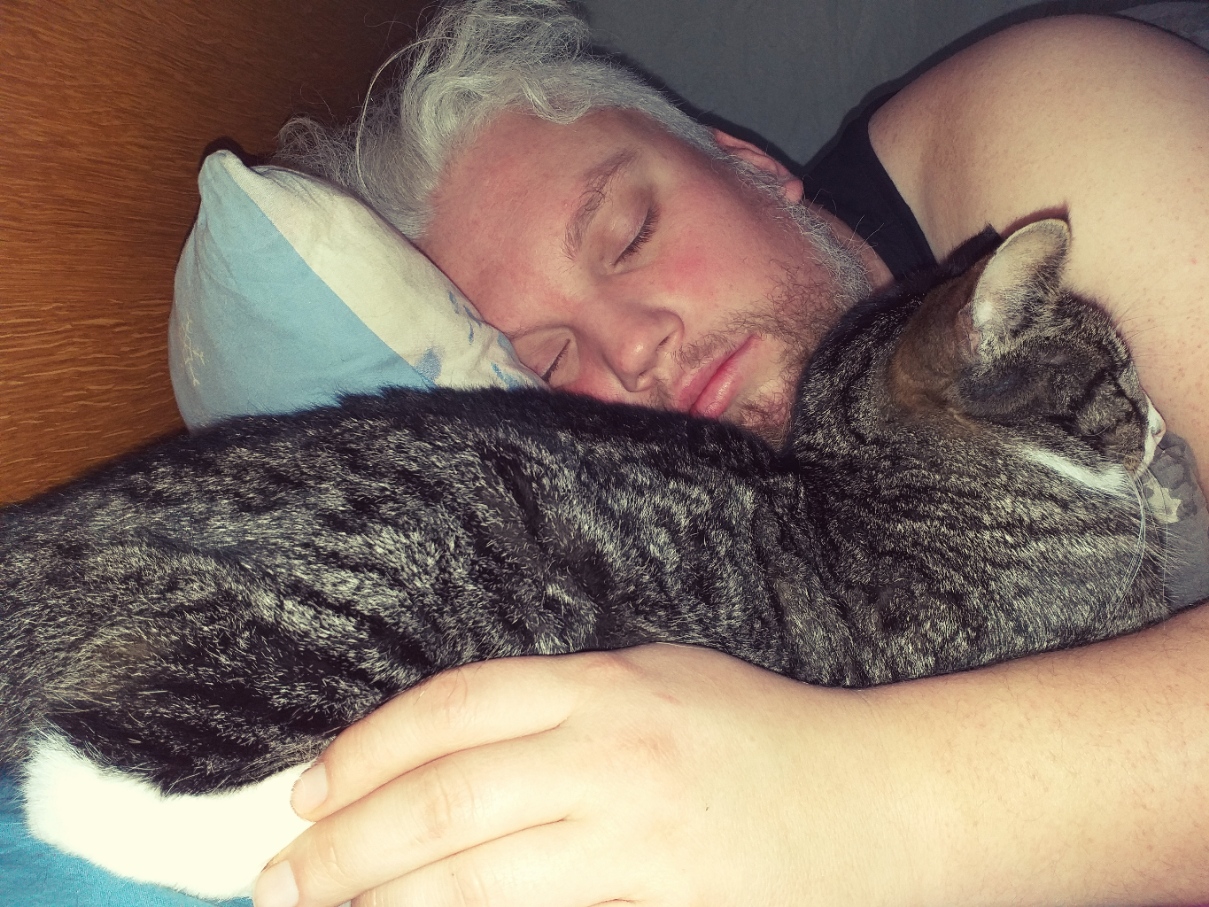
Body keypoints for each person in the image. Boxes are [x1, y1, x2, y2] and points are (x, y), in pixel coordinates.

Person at [255, 1, 1209, 905]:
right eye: (545, 364)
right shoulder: (705, 578)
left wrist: (861, 793)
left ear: (749, 165)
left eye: (630, 235)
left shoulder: (1032, 141)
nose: (634, 346)